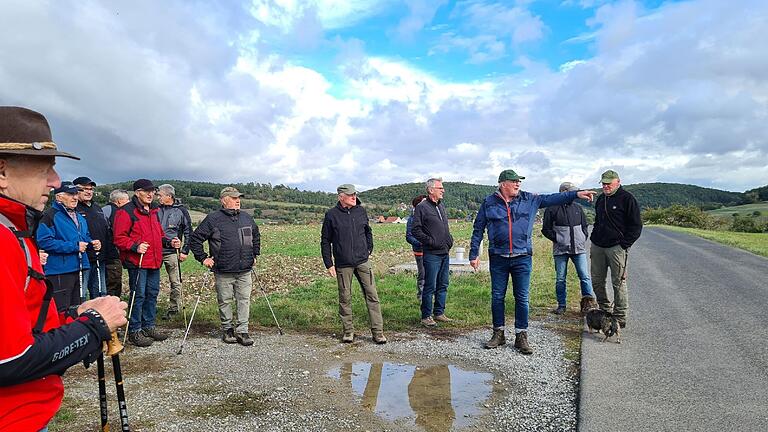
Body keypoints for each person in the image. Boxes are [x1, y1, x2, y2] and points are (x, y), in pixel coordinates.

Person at [0, 106, 127, 431]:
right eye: (46, 169)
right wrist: (93, 326)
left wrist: (75, 315)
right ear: (2, 172)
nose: (56, 183)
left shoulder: (15, 227)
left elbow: (27, 325)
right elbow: (9, 361)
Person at [469, 169, 596, 354]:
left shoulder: (529, 199)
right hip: (498, 257)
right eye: (514, 181)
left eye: (519, 181)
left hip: (522, 257)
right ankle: (499, 333)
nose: (518, 184)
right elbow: (478, 228)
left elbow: (553, 198)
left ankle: (521, 336)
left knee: (522, 298)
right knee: (497, 297)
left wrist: (576, 194)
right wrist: (474, 254)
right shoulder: (489, 203)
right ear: (503, 183)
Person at [190, 187, 260, 346]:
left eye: (238, 198)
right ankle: (227, 329)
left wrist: (255, 254)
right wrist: (203, 258)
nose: (238, 200)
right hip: (223, 269)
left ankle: (243, 331)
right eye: (234, 198)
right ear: (223, 200)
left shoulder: (246, 217)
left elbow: (256, 236)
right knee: (225, 300)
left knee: (244, 300)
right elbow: (195, 239)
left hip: (245, 269)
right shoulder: (213, 219)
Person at [113, 179, 179, 347]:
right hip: (138, 262)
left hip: (154, 261)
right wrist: (134, 246)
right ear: (137, 192)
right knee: (139, 295)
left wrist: (169, 242)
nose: (150, 194)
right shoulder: (126, 212)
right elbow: (118, 238)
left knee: (152, 294)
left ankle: (148, 326)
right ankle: (134, 329)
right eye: (146, 191)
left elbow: (158, 234)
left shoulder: (154, 211)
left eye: (152, 191)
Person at [320, 184, 386, 344]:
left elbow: (368, 232)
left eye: (355, 194)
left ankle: (378, 333)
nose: (353, 197)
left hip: (363, 261)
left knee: (372, 296)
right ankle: (348, 332)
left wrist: (369, 249)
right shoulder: (331, 215)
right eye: (350, 194)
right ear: (340, 197)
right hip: (343, 264)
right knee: (345, 298)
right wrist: (329, 264)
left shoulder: (361, 211)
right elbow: (325, 241)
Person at [590, 170, 643, 329]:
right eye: (604, 183)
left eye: (609, 183)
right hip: (598, 246)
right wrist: (594, 236)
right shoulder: (601, 199)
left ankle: (620, 317)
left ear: (618, 182)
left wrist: (624, 244)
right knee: (597, 281)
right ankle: (604, 310)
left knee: (618, 282)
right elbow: (598, 221)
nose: (606, 186)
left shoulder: (627, 199)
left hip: (616, 248)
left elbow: (636, 226)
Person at [36, 181, 101, 311]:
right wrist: (74, 246)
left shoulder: (79, 217)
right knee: (61, 309)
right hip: (59, 270)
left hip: (79, 267)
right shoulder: (49, 215)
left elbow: (83, 237)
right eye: (70, 194)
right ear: (59, 197)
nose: (75, 197)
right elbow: (44, 241)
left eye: (76, 194)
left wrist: (91, 243)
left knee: (76, 308)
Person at [541, 182, 597, 315]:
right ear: (564, 192)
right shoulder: (552, 208)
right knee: (560, 278)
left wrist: (583, 237)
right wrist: (558, 239)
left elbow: (585, 226)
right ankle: (561, 305)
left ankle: (588, 305)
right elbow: (546, 229)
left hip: (579, 249)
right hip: (560, 250)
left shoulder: (577, 207)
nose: (574, 194)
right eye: (572, 191)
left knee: (584, 277)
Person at [411, 178, 453, 327]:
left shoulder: (441, 206)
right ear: (430, 190)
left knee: (443, 284)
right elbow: (415, 230)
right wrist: (430, 241)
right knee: (430, 285)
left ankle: (439, 313)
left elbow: (444, 227)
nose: (443, 190)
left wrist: (449, 240)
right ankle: (426, 316)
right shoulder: (422, 208)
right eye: (440, 188)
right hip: (432, 254)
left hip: (444, 252)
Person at [157, 184, 192, 319]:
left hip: (172, 252)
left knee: (175, 281)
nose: (158, 197)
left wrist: (185, 250)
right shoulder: (155, 209)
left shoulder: (181, 211)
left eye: (160, 195)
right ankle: (150, 308)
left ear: (169, 196)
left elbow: (188, 231)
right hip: (155, 251)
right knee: (152, 281)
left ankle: (174, 308)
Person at [74, 176, 110, 299]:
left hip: (99, 257)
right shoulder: (73, 209)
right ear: (76, 191)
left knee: (100, 292)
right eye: (85, 189)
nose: (89, 192)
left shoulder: (97, 208)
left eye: (91, 189)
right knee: (81, 293)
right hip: (82, 258)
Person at [102, 189, 130, 297]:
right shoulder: (116, 212)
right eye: (127, 200)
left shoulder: (103, 209)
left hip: (102, 253)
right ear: (119, 201)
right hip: (112, 254)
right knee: (114, 283)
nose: (129, 203)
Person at [405, 194, 427, 301]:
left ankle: (430, 295)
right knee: (422, 273)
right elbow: (409, 237)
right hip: (420, 251)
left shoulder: (427, 216)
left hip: (431, 250)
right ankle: (421, 296)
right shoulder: (412, 219)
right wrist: (421, 243)